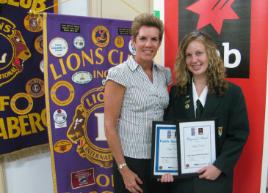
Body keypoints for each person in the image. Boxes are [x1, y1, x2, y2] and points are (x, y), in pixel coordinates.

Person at [161, 31, 249, 193]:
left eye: (199, 53)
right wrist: (166, 165)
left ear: (210, 55)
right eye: (188, 55)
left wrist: (219, 166)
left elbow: (238, 135)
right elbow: (169, 131)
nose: (194, 60)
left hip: (214, 180)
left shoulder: (232, 93)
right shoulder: (177, 92)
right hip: (182, 183)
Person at [104, 13, 172, 193]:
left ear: (159, 43)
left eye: (154, 39)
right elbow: (109, 125)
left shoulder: (164, 74)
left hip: (160, 159)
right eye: (143, 38)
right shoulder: (119, 74)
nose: (148, 44)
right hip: (131, 160)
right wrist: (123, 169)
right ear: (133, 41)